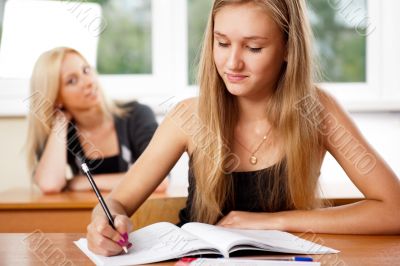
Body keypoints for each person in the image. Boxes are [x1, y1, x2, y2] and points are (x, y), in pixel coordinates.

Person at [86, 0, 400, 256]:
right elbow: (117, 203)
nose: (232, 63)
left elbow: (394, 210)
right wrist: (104, 221)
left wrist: (272, 222)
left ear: (288, 48)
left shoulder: (318, 111)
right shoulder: (188, 116)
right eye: (222, 43)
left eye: (253, 48)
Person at [26, 47, 168, 193]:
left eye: (86, 71)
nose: (88, 82)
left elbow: (159, 181)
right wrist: (60, 121)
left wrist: (83, 182)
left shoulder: (137, 115)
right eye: (72, 81)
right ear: (56, 98)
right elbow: (50, 184)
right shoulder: (62, 132)